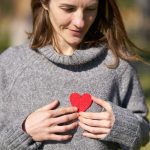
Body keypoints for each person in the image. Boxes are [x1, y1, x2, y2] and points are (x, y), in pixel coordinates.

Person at [0, 0, 149, 149]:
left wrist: (122, 126)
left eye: (90, 9)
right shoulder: (10, 64)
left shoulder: (117, 64)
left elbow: (143, 131)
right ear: (45, 3)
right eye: (68, 9)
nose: (80, 22)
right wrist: (24, 132)